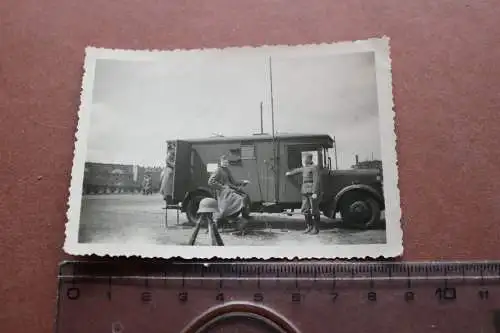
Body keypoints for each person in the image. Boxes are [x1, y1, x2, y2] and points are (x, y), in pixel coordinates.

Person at [208, 155, 250, 235]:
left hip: (229, 190)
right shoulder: (218, 170)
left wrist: (243, 182)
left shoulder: (227, 170)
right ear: (220, 162)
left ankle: (240, 221)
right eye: (224, 161)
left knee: (245, 197)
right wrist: (221, 187)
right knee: (239, 199)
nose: (225, 163)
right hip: (223, 192)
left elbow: (233, 182)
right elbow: (210, 181)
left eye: (226, 162)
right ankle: (230, 219)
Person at [285, 152, 321, 234]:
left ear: (309, 159)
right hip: (304, 190)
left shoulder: (314, 168)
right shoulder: (304, 168)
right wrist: (289, 173)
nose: (304, 160)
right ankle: (309, 227)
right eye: (304, 159)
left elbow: (316, 181)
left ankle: (316, 229)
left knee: (314, 210)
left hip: (312, 191)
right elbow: (296, 171)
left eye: (305, 159)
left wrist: (315, 192)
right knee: (305, 209)